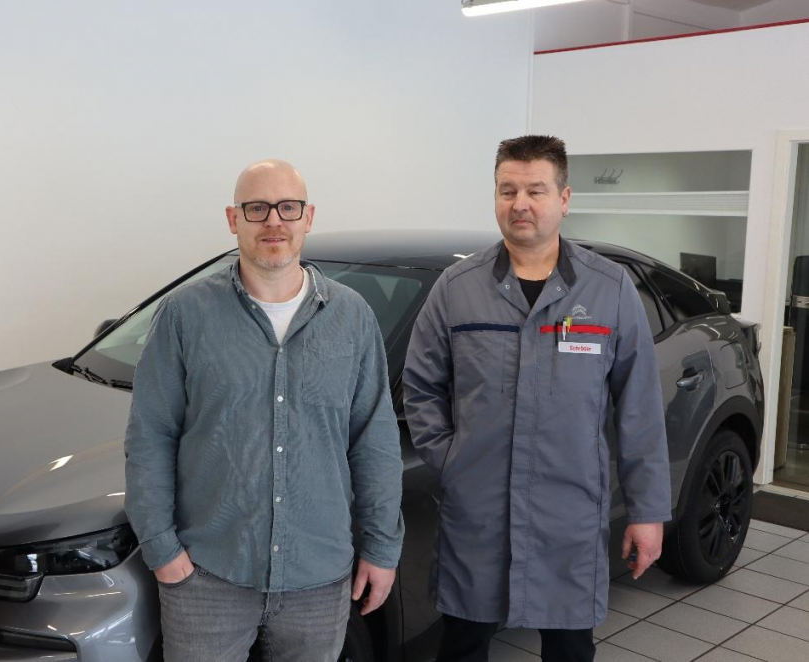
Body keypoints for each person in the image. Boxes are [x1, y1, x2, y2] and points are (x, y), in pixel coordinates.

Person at [402, 135, 670, 662]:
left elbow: (639, 408)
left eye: (535, 190)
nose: (520, 203)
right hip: (478, 513)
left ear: (564, 199)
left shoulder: (608, 290)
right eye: (507, 190)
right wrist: (453, 460)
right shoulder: (457, 289)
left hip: (566, 514)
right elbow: (421, 385)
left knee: (570, 649)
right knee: (462, 644)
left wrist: (648, 513)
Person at [124, 159, 404, 662]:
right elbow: (151, 436)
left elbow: (374, 441)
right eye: (257, 208)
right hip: (208, 578)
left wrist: (382, 549)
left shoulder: (353, 318)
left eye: (287, 208)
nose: (274, 221)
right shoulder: (185, 315)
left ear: (308, 217)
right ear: (234, 219)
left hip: (318, 580)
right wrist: (162, 551)